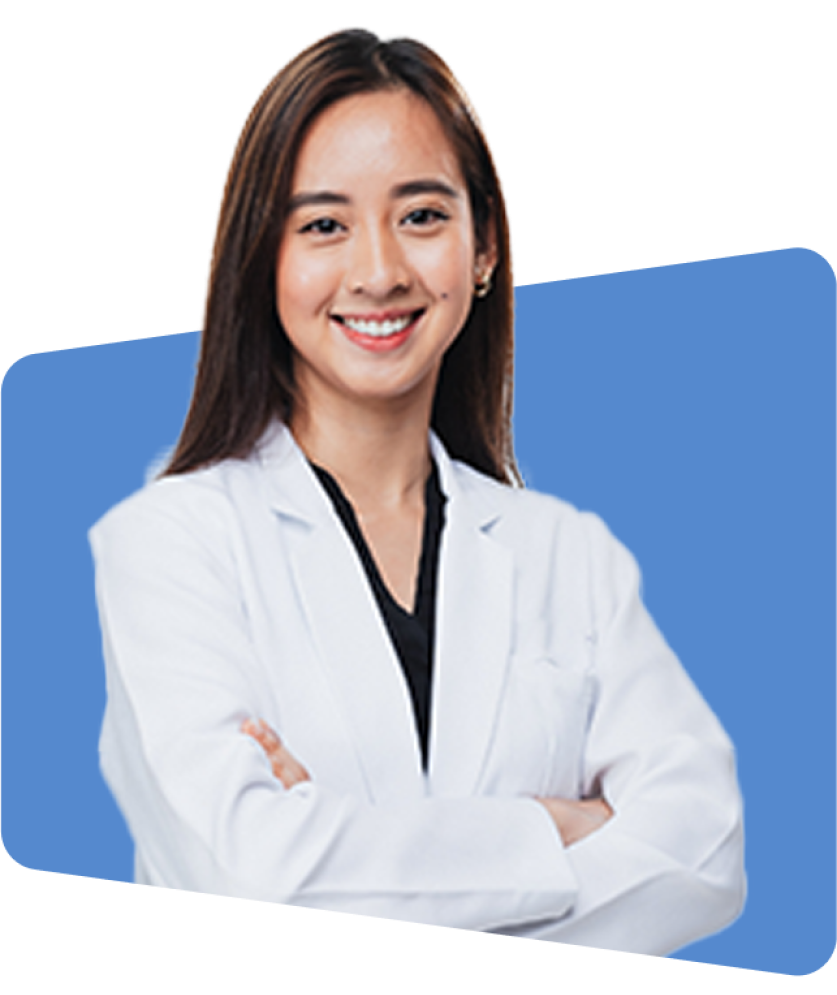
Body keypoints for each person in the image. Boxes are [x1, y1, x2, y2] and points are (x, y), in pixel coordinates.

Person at [89, 26, 745, 955]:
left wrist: (344, 843)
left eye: (422, 215)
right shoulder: (169, 544)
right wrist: (557, 826)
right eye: (322, 224)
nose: (379, 271)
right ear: (262, 262)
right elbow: (247, 871)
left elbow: (706, 850)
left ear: (484, 249)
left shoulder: (570, 556)